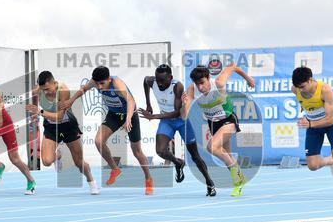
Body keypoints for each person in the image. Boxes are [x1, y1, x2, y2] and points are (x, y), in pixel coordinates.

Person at [60, 66, 154, 195]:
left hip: (129, 114)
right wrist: (71, 100)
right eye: (97, 83)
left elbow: (131, 100)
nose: (99, 87)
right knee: (98, 141)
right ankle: (115, 169)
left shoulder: (117, 84)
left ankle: (148, 178)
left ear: (109, 79)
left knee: (137, 152)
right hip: (113, 114)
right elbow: (83, 89)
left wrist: (128, 119)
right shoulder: (95, 81)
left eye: (102, 83)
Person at [181, 63, 256, 197]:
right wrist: (183, 104)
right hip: (213, 124)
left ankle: (239, 177)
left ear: (208, 77)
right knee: (227, 155)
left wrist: (248, 78)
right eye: (197, 84)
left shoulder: (219, 82)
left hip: (228, 120)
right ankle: (238, 182)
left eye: (202, 83)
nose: (200, 87)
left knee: (212, 147)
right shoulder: (192, 89)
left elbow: (233, 66)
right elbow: (184, 116)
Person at [141, 64, 217, 196]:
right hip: (166, 122)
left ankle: (209, 183)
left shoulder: (177, 86)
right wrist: (148, 103)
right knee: (160, 150)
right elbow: (145, 81)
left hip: (182, 122)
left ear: (170, 77)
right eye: (157, 80)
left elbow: (177, 113)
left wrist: (153, 116)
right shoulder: (151, 81)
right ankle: (178, 163)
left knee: (195, 156)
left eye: (162, 81)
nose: (159, 84)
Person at [26, 70, 101, 195]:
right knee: (46, 161)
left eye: (48, 89)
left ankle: (91, 181)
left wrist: (41, 112)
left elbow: (60, 117)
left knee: (79, 162)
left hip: (68, 127)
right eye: (43, 89)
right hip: (51, 127)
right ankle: (58, 156)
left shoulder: (63, 90)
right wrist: (35, 116)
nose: (46, 92)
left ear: (54, 83)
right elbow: (35, 105)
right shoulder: (37, 90)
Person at [291, 67, 333, 200]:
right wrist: (305, 111)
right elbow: (303, 101)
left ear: (310, 80)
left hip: (331, 125)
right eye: (298, 87)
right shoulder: (295, 89)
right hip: (313, 125)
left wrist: (310, 124)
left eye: (302, 86)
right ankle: (330, 161)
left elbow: (329, 120)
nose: (300, 90)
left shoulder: (324, 90)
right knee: (312, 166)